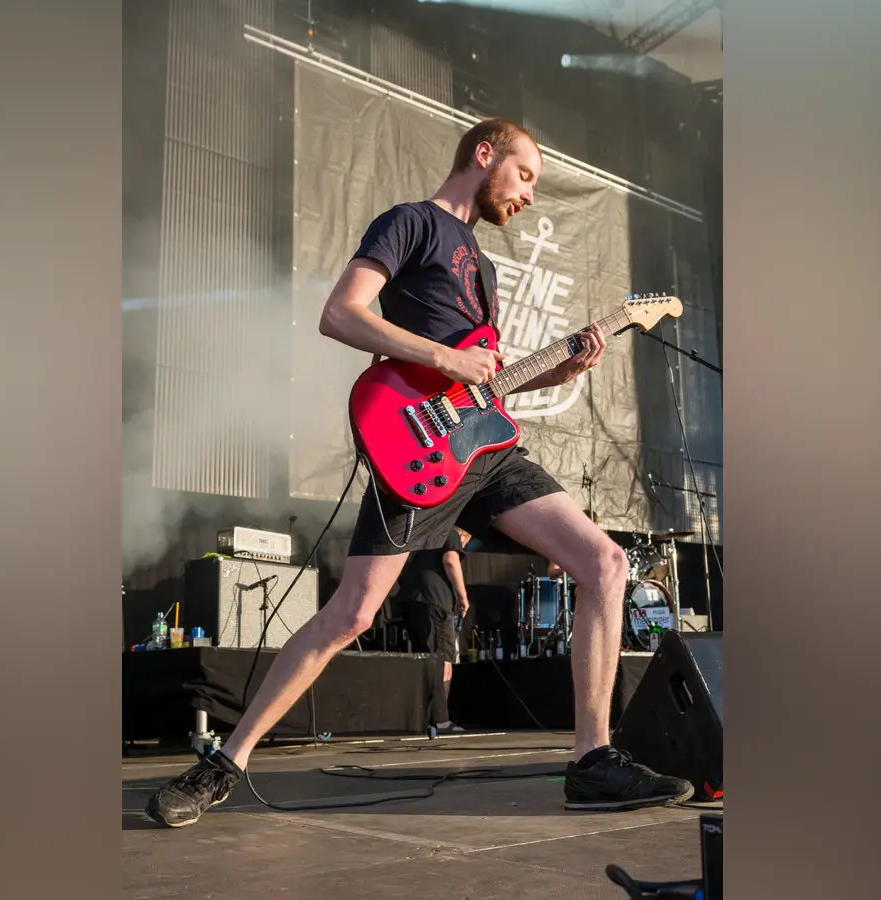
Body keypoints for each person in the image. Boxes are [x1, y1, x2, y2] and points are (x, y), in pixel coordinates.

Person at [149, 118, 691, 828]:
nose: (530, 194)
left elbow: (487, 382)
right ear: (484, 154)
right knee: (352, 614)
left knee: (606, 563)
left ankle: (592, 759)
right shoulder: (410, 223)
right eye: (525, 174)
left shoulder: (484, 268)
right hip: (418, 448)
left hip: (487, 451)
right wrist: (444, 358)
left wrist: (562, 368)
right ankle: (226, 762)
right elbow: (340, 314)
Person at [396, 525, 473, 733]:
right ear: (463, 534)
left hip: (411, 601)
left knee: (425, 659)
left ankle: (424, 718)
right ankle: (440, 720)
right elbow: (451, 561)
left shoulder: (425, 536)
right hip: (434, 602)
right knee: (443, 659)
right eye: (466, 542)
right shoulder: (451, 533)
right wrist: (463, 597)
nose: (463, 547)